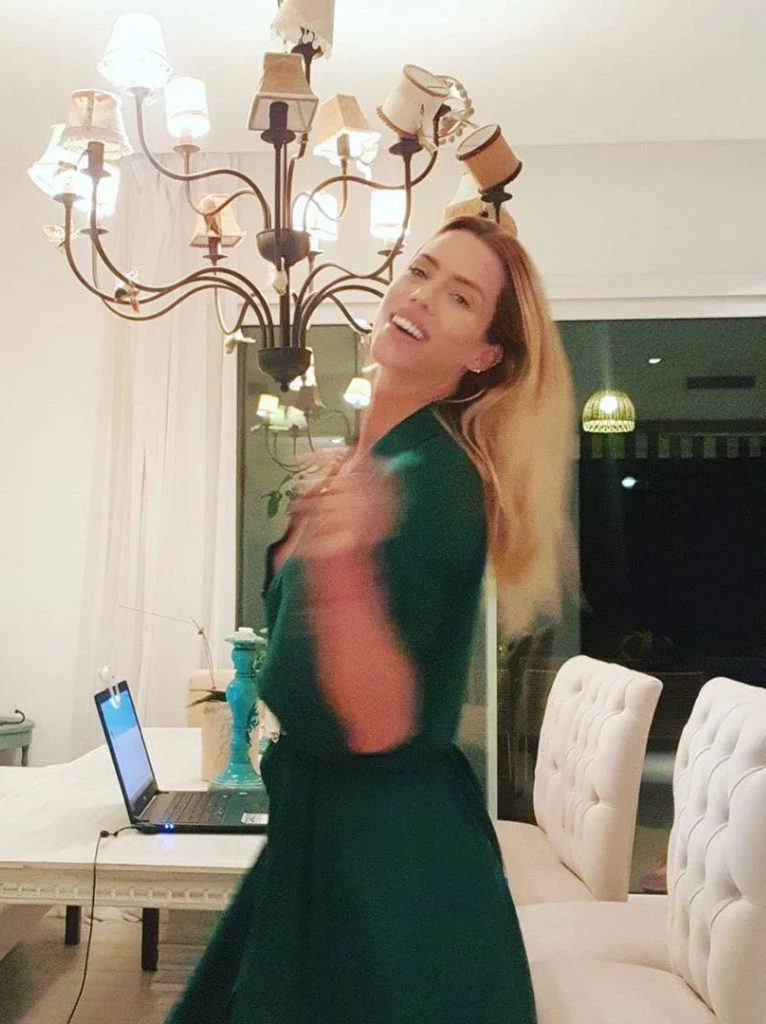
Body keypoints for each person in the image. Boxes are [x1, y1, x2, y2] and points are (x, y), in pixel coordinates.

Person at [167, 215, 575, 1024]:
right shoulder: (384, 463)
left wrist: (343, 567)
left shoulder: (433, 480)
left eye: (459, 297)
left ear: (483, 354)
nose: (420, 295)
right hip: (337, 842)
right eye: (420, 271)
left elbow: (380, 722)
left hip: (386, 871)